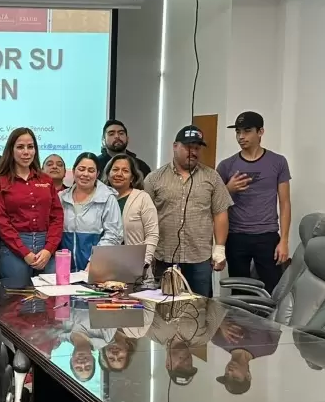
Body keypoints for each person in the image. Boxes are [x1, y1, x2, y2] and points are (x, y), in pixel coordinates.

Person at [144, 125, 233, 297]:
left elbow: (220, 213)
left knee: (200, 307)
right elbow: (146, 218)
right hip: (164, 257)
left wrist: (220, 248)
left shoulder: (212, 177)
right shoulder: (154, 179)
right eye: (188, 147)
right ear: (175, 146)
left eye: (197, 148)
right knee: (163, 308)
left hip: (199, 258)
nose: (193, 152)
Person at [217, 111, 292, 293]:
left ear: (260, 132)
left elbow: (285, 203)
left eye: (247, 131)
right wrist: (228, 189)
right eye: (238, 132)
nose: (241, 137)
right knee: (239, 291)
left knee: (272, 290)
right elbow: (214, 203)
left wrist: (284, 240)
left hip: (267, 235)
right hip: (236, 236)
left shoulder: (278, 162)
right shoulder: (226, 165)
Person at [0, 127, 64, 289]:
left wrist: (49, 249)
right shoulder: (1, 181)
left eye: (30, 147)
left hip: (46, 245)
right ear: (11, 150)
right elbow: (1, 221)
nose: (26, 152)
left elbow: (57, 217)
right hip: (14, 246)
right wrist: (24, 252)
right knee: (15, 298)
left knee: (51, 296)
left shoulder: (46, 180)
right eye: (20, 147)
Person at [58, 152, 123, 272]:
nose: (85, 174)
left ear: (97, 174)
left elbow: (114, 235)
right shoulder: (61, 198)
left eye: (91, 170)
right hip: (65, 269)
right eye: (81, 169)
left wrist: (95, 261)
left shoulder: (107, 198)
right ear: (74, 171)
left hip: (97, 268)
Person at [106, 154, 159, 268]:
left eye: (125, 171)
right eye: (115, 169)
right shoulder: (101, 198)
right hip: (105, 265)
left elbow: (152, 234)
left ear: (132, 177)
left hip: (136, 266)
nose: (119, 174)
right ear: (108, 174)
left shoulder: (142, 198)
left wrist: (144, 262)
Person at [212, 312, 281, 395]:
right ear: (248, 375)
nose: (229, 371)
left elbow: (208, 310)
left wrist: (221, 323)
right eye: (235, 377)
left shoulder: (217, 340)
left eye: (226, 375)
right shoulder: (268, 349)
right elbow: (278, 316)